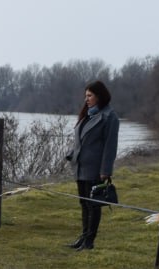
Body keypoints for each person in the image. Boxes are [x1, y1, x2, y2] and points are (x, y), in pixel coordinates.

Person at [67, 80, 120, 250]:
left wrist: (105, 170)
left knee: (93, 205)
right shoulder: (88, 114)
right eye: (85, 96)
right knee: (83, 203)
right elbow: (80, 139)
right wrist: (71, 154)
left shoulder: (109, 117)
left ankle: (90, 241)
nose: (86, 99)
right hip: (80, 166)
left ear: (99, 96)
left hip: (95, 168)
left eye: (90, 95)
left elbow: (110, 146)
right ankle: (83, 237)